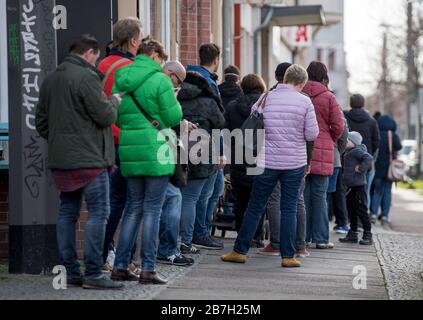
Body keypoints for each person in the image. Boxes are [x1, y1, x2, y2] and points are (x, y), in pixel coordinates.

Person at [35, 35, 123, 290]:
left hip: (62, 160)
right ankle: (94, 273)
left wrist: (61, 142)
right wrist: (114, 101)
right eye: (96, 58)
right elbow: (105, 116)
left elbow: (41, 122)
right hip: (91, 159)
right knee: (99, 212)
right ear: (89, 53)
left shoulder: (51, 80)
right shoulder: (86, 78)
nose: (96, 63)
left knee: (67, 213)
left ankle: (71, 272)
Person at [221, 64, 319, 268]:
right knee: (289, 208)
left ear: (284, 78)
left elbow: (253, 124)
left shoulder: (267, 97)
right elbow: (311, 134)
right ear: (301, 83)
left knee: (255, 206)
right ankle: (288, 256)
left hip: (267, 161)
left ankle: (239, 251)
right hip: (294, 162)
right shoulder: (305, 102)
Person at [111, 38, 183, 285]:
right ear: (153, 55)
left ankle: (120, 266)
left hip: (130, 151)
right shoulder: (160, 80)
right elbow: (174, 116)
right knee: (152, 209)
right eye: (161, 60)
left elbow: (117, 119)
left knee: (132, 208)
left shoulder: (122, 77)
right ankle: (148, 269)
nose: (162, 65)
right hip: (156, 150)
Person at [98, 17, 144, 274]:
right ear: (134, 40)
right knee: (126, 203)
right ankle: (123, 260)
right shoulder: (131, 68)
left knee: (106, 203)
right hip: (124, 141)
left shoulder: (102, 64)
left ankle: (103, 256)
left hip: (101, 142)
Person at [178, 71, 226, 254]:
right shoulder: (209, 101)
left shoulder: (176, 98)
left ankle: (175, 238)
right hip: (203, 154)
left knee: (178, 198)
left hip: (178, 152)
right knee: (194, 198)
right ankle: (188, 240)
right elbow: (220, 123)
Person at [155, 61, 194, 267]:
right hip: (156, 150)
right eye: (177, 81)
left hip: (145, 149)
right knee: (172, 198)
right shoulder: (161, 86)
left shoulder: (148, 82)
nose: (176, 86)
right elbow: (169, 117)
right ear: (170, 73)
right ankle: (167, 250)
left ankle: (159, 251)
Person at [302, 61, 345, 250]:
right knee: (319, 195)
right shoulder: (329, 97)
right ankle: (320, 238)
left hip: (300, 149)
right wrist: (330, 139)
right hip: (323, 148)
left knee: (301, 196)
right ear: (324, 76)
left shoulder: (299, 93)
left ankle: (302, 237)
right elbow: (339, 125)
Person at [225, 74, 267, 246]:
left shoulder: (232, 106)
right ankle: (257, 235)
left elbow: (226, 134)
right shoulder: (267, 105)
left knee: (241, 198)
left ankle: (242, 234)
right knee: (258, 198)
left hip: (238, 157)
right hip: (260, 157)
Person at [345, 94, 380, 209]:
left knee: (346, 191)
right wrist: (370, 155)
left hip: (347, 161)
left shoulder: (345, 117)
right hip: (366, 160)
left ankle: (350, 218)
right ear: (363, 104)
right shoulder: (372, 121)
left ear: (351, 103)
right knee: (365, 190)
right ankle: (363, 218)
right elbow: (376, 142)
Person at [340, 132, 374, 245]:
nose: (345, 142)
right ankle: (353, 233)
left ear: (354, 142)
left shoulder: (357, 151)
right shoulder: (349, 151)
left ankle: (368, 234)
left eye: (347, 140)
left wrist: (361, 168)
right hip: (350, 187)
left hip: (359, 187)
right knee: (351, 210)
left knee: (362, 210)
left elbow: (368, 158)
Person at [371, 115, 402, 225]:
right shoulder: (392, 135)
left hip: (378, 168)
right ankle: (385, 216)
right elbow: (399, 147)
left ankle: (373, 214)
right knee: (388, 192)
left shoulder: (377, 134)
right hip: (390, 169)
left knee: (377, 192)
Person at [328, 117, 349, 234]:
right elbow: (343, 136)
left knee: (314, 196)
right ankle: (341, 222)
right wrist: (338, 153)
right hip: (334, 159)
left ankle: (310, 233)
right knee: (335, 192)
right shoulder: (338, 114)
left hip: (308, 159)